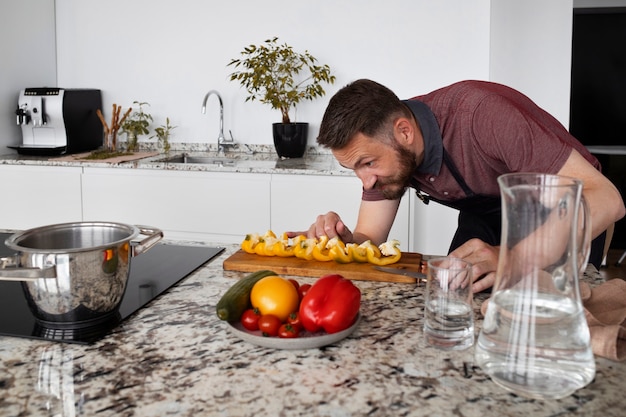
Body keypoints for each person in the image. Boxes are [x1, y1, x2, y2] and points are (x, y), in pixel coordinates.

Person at [290, 79, 625, 292]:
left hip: (564, 215)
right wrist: (341, 240)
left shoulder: (482, 115)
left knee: (539, 324)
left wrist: (514, 258)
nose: (366, 181)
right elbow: (368, 241)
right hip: (486, 218)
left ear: (404, 132)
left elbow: (607, 199)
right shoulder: (387, 148)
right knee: (452, 298)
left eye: (367, 164)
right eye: (354, 169)